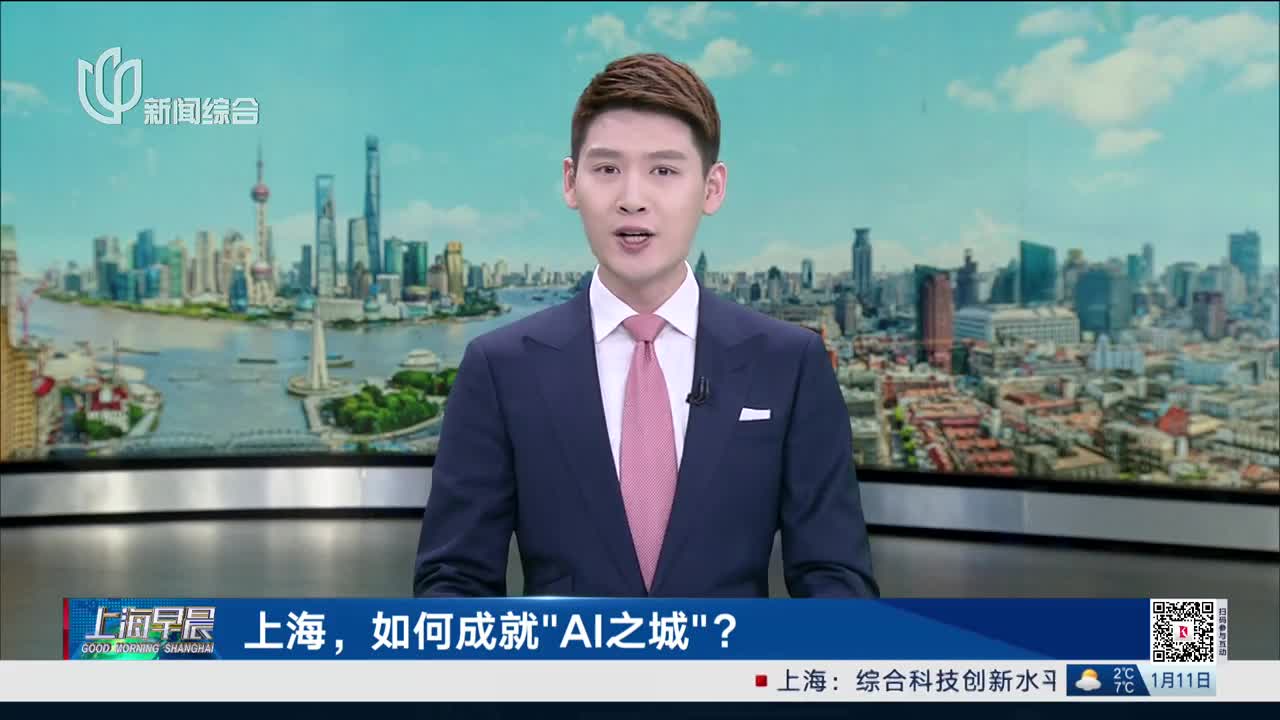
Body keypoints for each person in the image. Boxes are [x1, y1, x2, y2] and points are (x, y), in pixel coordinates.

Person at [413, 53, 878, 599]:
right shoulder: (500, 368)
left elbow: (835, 579)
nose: (632, 199)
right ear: (571, 182)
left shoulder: (789, 363)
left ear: (712, 188)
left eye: (664, 171)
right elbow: (454, 581)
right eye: (607, 169)